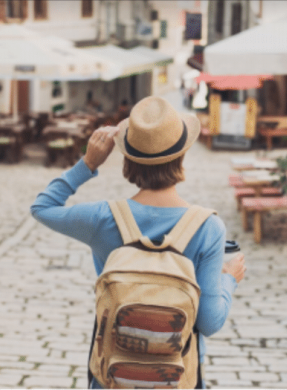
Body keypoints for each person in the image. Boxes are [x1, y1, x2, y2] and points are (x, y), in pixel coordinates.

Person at [29, 96, 246, 389]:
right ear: (181, 156)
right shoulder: (208, 227)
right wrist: (229, 279)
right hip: (178, 376)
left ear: (127, 159)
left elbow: (42, 208)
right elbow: (209, 322)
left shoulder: (102, 218)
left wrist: (88, 163)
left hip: (112, 376)